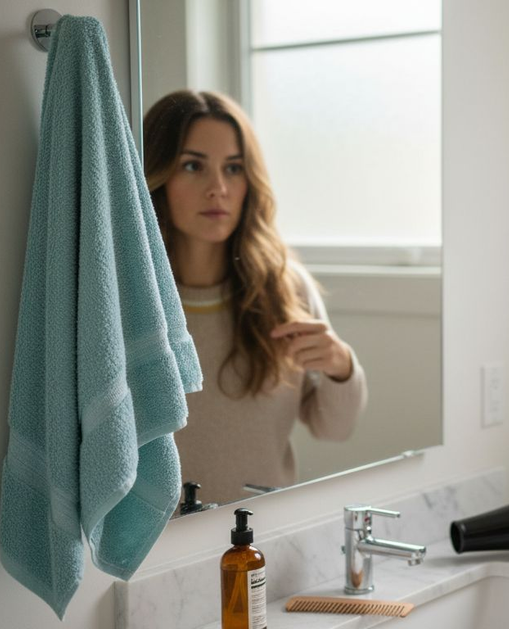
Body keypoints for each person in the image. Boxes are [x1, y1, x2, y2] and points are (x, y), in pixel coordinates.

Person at [143, 90, 367, 506]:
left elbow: (334, 428)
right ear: (156, 175)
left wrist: (340, 365)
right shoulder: (132, 301)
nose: (219, 188)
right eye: (193, 166)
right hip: (160, 550)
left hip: (262, 540)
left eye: (234, 168)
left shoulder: (287, 288)